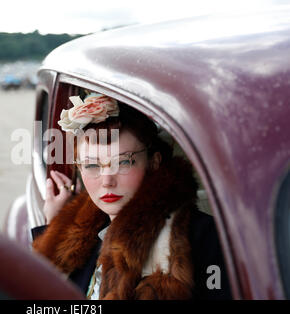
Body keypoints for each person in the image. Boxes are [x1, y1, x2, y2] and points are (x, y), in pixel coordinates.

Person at [32, 93, 232, 300]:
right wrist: (55, 226)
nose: (107, 180)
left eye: (123, 162)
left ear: (153, 162)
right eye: (91, 165)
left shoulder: (205, 237)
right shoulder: (82, 238)